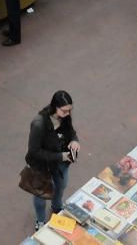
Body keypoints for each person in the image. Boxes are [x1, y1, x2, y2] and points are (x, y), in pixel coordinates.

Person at [25, 90, 79, 230]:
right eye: (65, 111)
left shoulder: (65, 116)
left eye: (69, 111)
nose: (68, 114)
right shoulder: (39, 124)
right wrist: (61, 156)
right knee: (41, 195)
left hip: (61, 163)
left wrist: (74, 140)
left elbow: (71, 130)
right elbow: (34, 151)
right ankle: (41, 221)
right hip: (42, 166)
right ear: (55, 106)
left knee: (61, 186)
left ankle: (57, 207)